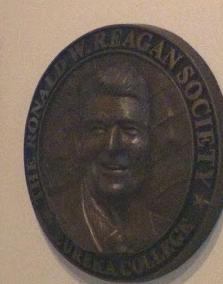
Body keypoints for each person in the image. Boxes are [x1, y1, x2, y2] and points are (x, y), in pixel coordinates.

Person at [48, 61, 172, 254]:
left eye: (129, 130)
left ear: (149, 141)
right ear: (79, 141)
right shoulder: (57, 214)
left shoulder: (160, 228)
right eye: (98, 129)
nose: (113, 146)